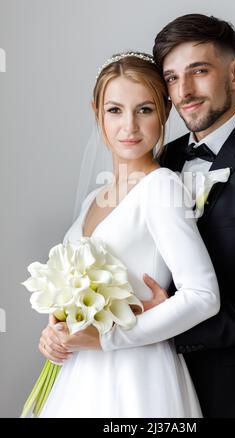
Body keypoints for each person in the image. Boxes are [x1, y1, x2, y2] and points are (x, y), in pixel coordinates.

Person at [130, 13, 235, 418]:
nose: (184, 91)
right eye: (171, 78)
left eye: (199, 71)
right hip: (160, 388)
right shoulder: (161, 161)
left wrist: (173, 329)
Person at [37, 51, 220, 418]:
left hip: (137, 374)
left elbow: (203, 296)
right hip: (79, 373)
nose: (130, 127)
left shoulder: (161, 187)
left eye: (145, 110)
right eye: (115, 110)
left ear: (165, 112)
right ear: (97, 113)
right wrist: (56, 329)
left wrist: (108, 338)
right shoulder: (94, 198)